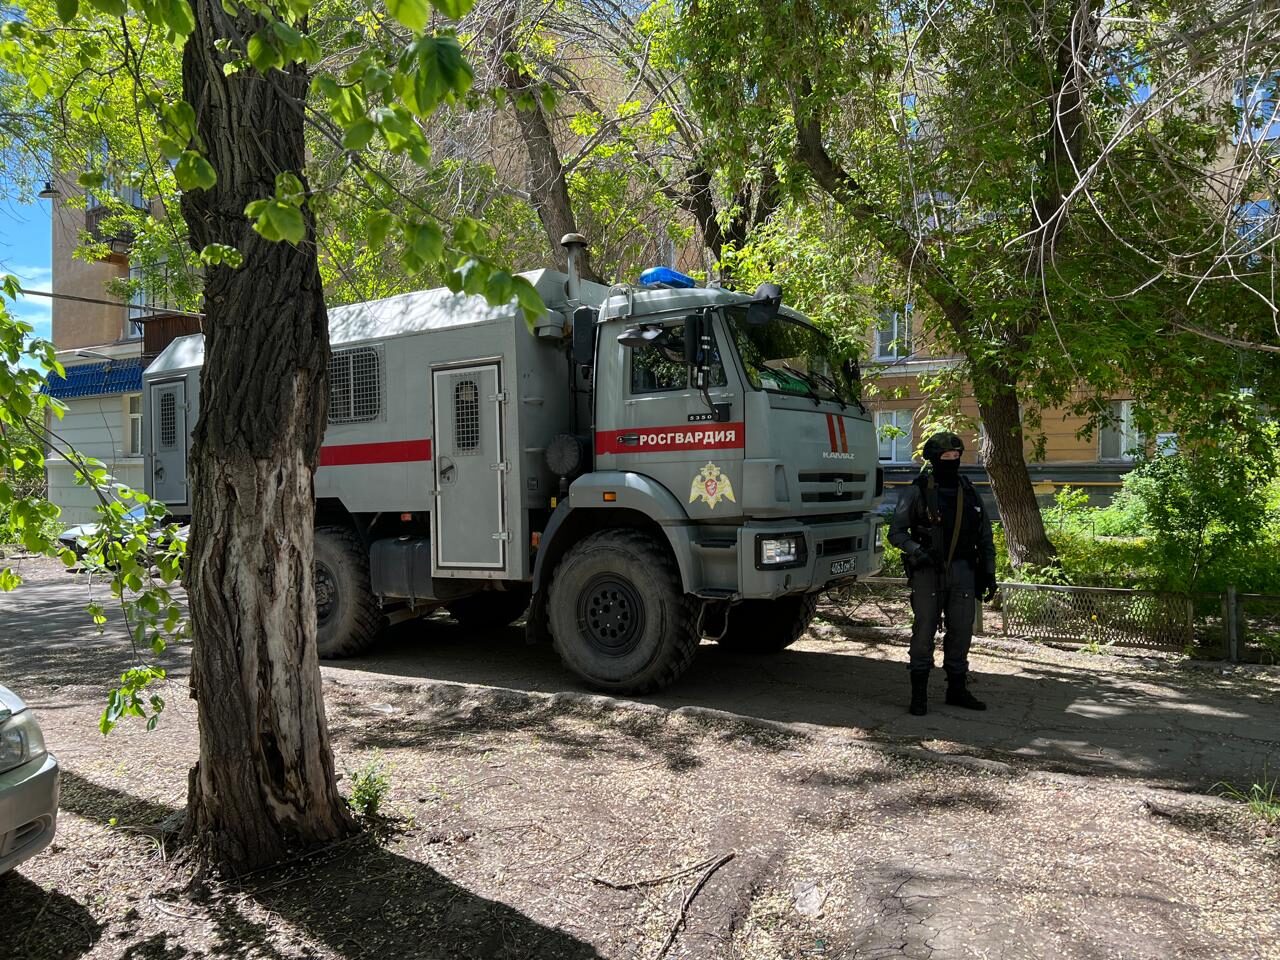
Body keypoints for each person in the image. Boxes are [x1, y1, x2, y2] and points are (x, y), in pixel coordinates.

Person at [888, 431, 997, 716]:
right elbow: (896, 532)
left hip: (963, 571)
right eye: (946, 456)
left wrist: (988, 572)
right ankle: (919, 694)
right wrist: (917, 551)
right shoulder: (918, 490)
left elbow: (985, 536)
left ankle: (957, 689)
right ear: (934, 459)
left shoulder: (969, 490)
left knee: (961, 632)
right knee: (923, 632)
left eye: (956, 456)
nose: (952, 460)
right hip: (927, 571)